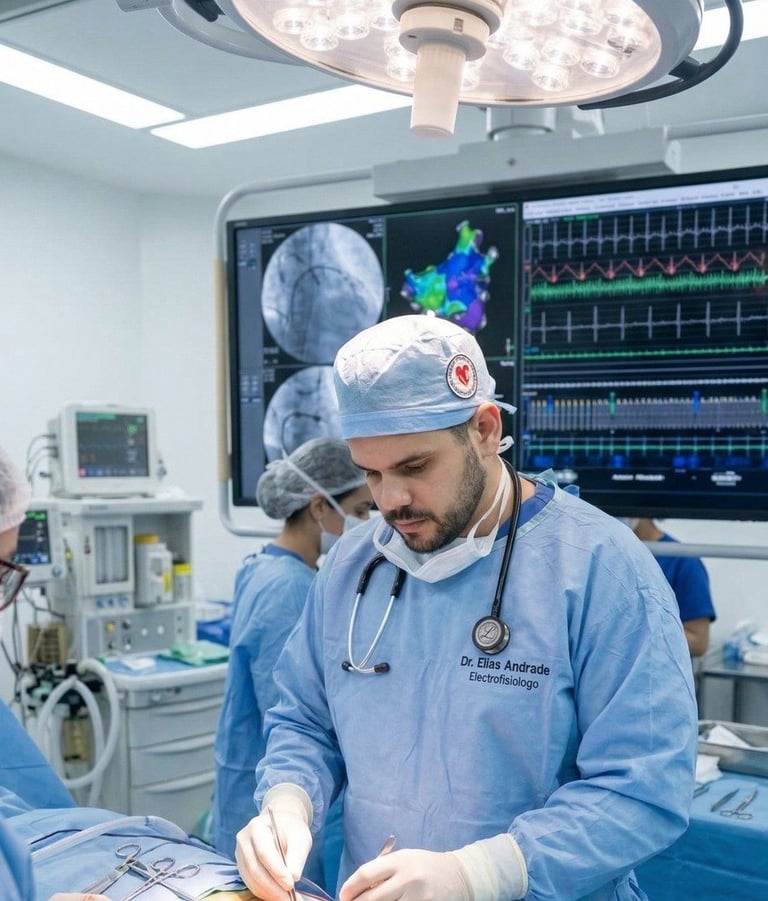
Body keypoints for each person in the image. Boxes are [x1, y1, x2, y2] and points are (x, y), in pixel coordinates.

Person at [234, 315, 698, 901]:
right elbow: (305, 720)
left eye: (414, 467)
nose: (390, 501)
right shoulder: (354, 567)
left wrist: (483, 874)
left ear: (483, 429)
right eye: (370, 474)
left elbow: (644, 788)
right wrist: (288, 801)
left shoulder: (602, 570)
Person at [211, 437, 373, 884]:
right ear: (320, 508)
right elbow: (290, 711)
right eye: (360, 510)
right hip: (273, 805)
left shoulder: (264, 566)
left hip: (242, 783)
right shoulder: (291, 589)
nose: (369, 523)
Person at [619, 518, 716, 658]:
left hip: (656, 675)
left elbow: (698, 643)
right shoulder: (608, 556)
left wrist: (635, 629)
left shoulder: (682, 560)